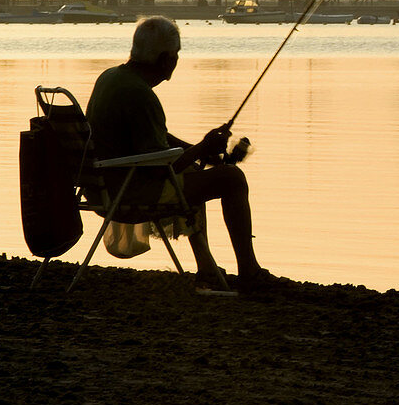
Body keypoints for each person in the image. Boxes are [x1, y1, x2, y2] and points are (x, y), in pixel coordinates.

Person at [86, 15, 281, 294]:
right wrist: (202, 148)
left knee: (196, 173)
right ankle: (249, 270)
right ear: (166, 59)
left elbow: (159, 140)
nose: (176, 60)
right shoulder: (141, 96)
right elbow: (157, 169)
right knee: (233, 179)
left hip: (103, 189)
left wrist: (203, 152)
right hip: (129, 193)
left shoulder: (112, 78)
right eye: (175, 55)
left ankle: (207, 269)